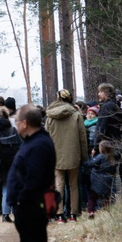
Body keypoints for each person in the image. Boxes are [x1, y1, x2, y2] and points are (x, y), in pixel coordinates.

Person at [5, 106, 57, 242]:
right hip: (27, 205)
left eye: (17, 121)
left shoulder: (39, 144)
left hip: (32, 206)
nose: (16, 124)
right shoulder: (33, 141)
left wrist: (21, 200)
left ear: (25, 123)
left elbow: (34, 179)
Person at [44, 89, 87, 223]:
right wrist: (84, 155)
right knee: (73, 185)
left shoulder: (50, 116)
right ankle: (74, 214)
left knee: (59, 185)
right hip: (73, 153)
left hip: (56, 154)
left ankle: (60, 214)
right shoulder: (76, 115)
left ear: (58, 98)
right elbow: (82, 137)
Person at [94, 83, 122, 197]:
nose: (99, 94)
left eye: (100, 92)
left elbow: (101, 128)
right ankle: (121, 194)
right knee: (118, 169)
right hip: (117, 143)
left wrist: (95, 146)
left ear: (106, 93)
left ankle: (114, 197)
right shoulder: (115, 105)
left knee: (111, 172)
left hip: (109, 145)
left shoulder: (107, 107)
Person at [88, 141, 118, 217]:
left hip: (97, 181)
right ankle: (106, 211)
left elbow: (91, 164)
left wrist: (89, 159)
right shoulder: (113, 158)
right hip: (108, 182)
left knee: (92, 197)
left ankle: (91, 212)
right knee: (107, 198)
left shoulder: (100, 157)